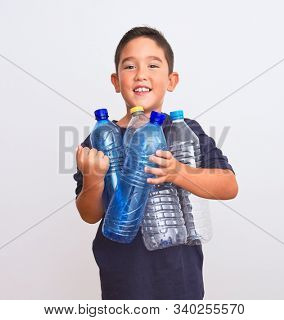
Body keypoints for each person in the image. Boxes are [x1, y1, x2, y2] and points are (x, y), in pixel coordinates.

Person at [73, 26, 238, 299]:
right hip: (123, 281)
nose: (141, 74)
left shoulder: (185, 130)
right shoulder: (100, 138)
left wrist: (178, 172)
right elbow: (89, 214)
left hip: (181, 278)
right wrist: (93, 179)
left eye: (152, 65)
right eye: (129, 66)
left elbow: (229, 185)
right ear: (115, 81)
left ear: (171, 80)